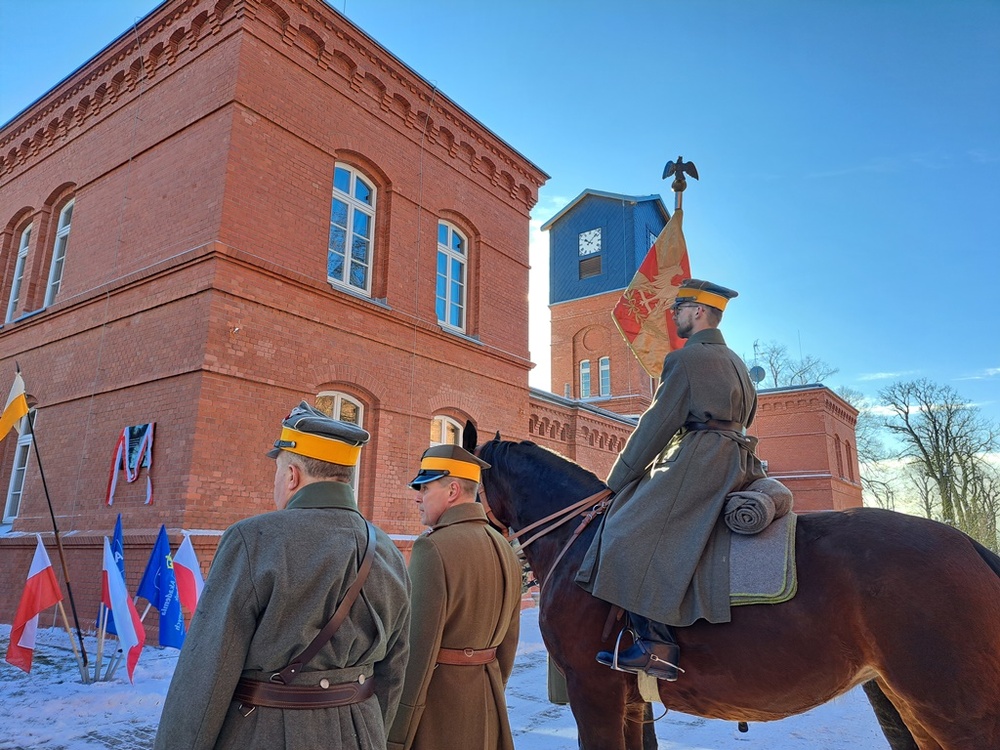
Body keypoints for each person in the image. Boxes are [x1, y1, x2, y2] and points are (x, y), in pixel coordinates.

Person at [154, 402, 411, 750]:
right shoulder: (389, 551)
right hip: (362, 732)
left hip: (267, 732)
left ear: (292, 475)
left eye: (277, 471)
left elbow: (207, 672)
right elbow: (394, 671)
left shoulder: (254, 540)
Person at [577, 278, 766, 681]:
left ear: (699, 312)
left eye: (679, 308)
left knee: (627, 529)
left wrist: (617, 481)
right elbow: (747, 418)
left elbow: (657, 424)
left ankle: (654, 644)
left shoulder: (685, 360)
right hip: (740, 459)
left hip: (701, 460)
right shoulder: (736, 362)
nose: (674, 315)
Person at [387, 444, 522, 750]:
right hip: (488, 705)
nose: (417, 496)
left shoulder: (433, 548)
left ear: (452, 491)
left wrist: (396, 734)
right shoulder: (504, 548)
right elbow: (508, 645)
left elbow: (416, 651)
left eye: (424, 487)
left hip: (438, 713)